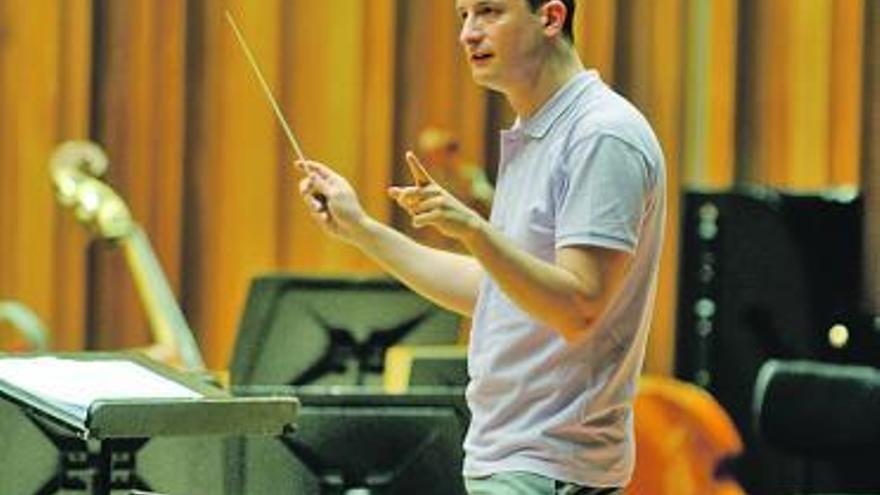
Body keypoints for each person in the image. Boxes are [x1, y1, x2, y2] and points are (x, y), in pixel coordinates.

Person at [297, 0, 665, 493]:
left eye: (489, 11)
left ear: (551, 18)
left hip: (550, 463)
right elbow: (498, 291)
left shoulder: (601, 134)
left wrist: (473, 230)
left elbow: (579, 306)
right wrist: (362, 229)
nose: (468, 33)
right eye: (462, 15)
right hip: (509, 455)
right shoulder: (538, 130)